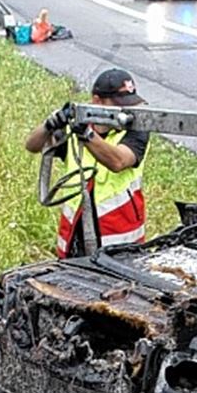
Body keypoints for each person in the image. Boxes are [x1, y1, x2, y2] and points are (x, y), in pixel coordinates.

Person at [24, 68, 151, 258]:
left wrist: (86, 134)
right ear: (97, 101)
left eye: (129, 103)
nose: (125, 110)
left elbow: (118, 161)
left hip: (119, 236)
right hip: (76, 232)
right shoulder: (73, 130)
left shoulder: (136, 130)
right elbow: (32, 145)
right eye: (118, 104)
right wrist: (50, 124)